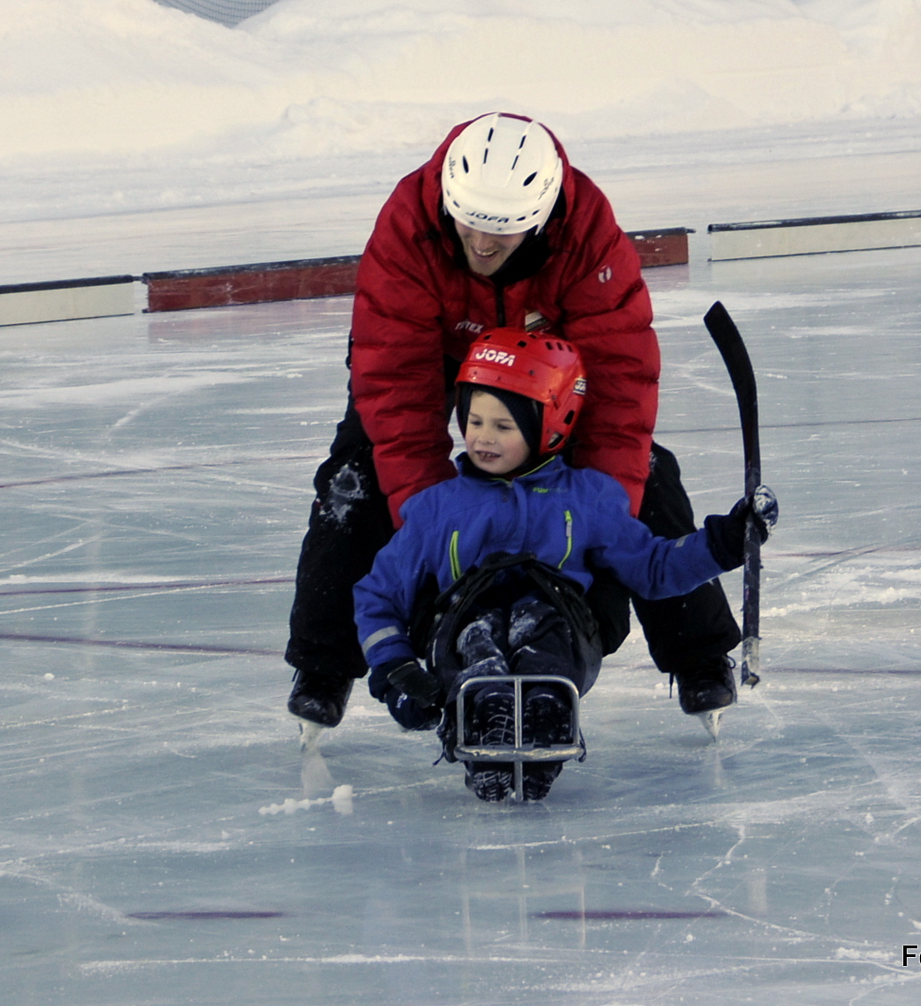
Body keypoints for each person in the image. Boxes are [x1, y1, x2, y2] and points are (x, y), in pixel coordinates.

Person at [285, 111, 746, 730]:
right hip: (438, 348)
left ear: (542, 217)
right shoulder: (408, 227)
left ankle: (698, 654)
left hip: (546, 363)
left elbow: (617, 391)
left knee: (645, 472)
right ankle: (323, 663)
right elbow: (395, 391)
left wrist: (604, 525)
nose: (480, 246)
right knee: (355, 475)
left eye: (500, 236)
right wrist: (437, 533)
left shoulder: (588, 238)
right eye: (469, 226)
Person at [354, 329, 776, 801]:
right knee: (479, 633)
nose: (482, 438)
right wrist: (394, 669)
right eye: (474, 421)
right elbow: (378, 594)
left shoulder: (587, 499)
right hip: (462, 627)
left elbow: (654, 568)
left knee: (542, 629)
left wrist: (726, 540)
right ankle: (481, 713)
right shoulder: (437, 508)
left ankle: (546, 713)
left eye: (503, 426)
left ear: (550, 425)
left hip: (564, 628)